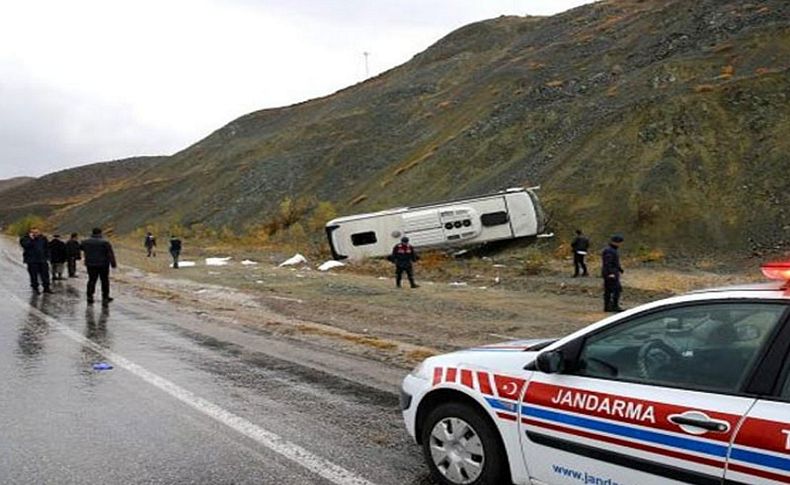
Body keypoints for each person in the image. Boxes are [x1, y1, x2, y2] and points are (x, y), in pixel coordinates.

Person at [81, 227, 117, 305]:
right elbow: (110, 254)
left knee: (91, 280)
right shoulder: (105, 242)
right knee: (104, 281)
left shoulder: (85, 242)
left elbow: (81, 249)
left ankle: (89, 296)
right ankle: (105, 297)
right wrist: (113, 264)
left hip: (90, 264)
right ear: (100, 233)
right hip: (103, 264)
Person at [20, 227, 52, 294]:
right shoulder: (25, 239)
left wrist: (48, 256)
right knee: (33, 275)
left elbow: (47, 248)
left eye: (37, 232)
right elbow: (26, 246)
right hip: (32, 260)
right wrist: (32, 239)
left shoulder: (43, 238)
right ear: (30, 233)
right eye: (33, 232)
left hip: (42, 260)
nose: (35, 234)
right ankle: (35, 288)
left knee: (45, 275)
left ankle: (46, 288)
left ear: (39, 232)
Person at [601, 234, 625, 312]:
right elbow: (608, 263)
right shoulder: (609, 250)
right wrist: (610, 273)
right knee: (616, 289)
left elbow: (614, 262)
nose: (620, 244)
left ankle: (608, 306)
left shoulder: (612, 250)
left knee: (609, 290)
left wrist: (620, 269)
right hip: (611, 273)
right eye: (620, 242)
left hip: (612, 272)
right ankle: (614, 306)